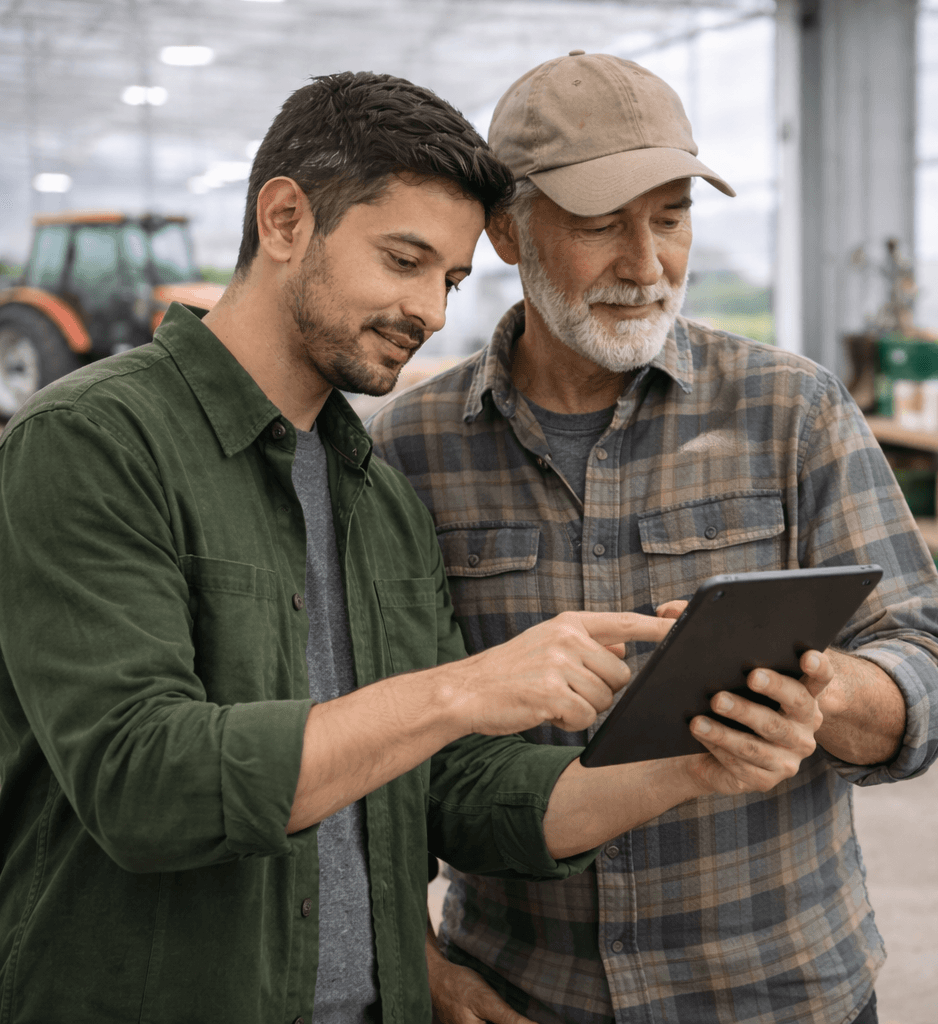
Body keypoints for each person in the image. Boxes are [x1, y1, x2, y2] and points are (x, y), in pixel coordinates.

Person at [0, 71, 824, 1024]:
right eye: (403, 260)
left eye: (451, 280)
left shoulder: (380, 495)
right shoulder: (93, 443)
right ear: (283, 220)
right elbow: (144, 783)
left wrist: (695, 763)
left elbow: (454, 791)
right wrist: (463, 689)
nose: (431, 311)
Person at [369, 52, 938, 1024]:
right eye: (600, 224)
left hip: (778, 990)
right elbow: (378, 752)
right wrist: (417, 958)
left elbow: (927, 668)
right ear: (508, 229)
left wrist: (825, 694)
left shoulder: (791, 410)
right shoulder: (410, 449)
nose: (646, 265)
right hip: (528, 993)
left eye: (672, 218)